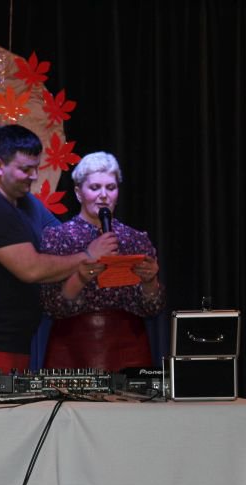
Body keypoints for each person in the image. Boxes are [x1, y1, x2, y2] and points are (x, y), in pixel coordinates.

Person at [0, 125, 118, 372]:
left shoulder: (26, 202)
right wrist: (89, 255)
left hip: (12, 342)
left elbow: (64, 240)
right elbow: (31, 269)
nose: (34, 176)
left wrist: (93, 213)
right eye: (25, 169)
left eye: (36, 168)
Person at [40, 151, 165, 371]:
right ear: (78, 193)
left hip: (130, 348)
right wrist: (81, 277)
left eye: (111, 187)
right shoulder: (58, 237)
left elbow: (153, 309)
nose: (104, 195)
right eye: (95, 187)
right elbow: (52, 307)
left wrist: (150, 281)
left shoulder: (135, 239)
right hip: (72, 348)